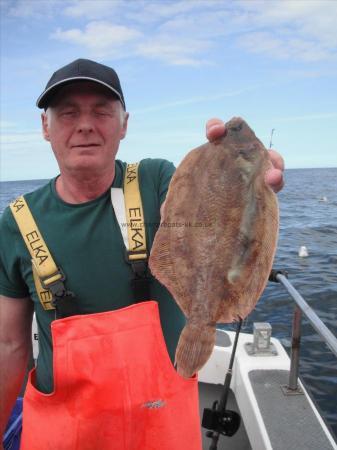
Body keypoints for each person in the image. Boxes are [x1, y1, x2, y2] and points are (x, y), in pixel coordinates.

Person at [0, 58, 284, 450]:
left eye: (101, 111)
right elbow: (9, 345)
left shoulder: (156, 180)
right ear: (46, 127)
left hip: (163, 427)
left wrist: (249, 185)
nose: (85, 124)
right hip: (64, 433)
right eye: (67, 113)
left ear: (124, 124)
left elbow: (192, 210)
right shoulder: (17, 222)